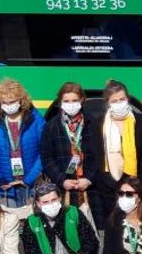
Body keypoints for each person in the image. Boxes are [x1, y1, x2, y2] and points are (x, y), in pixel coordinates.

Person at [89, 80, 142, 233]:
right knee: (115, 230)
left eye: (122, 99)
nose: (119, 103)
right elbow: (97, 154)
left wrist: (135, 182)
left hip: (136, 184)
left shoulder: (140, 121)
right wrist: (109, 182)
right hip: (109, 186)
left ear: (128, 99)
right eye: (114, 101)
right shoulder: (98, 124)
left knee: (140, 227)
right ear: (107, 103)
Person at [39, 82, 103, 225]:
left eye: (74, 100)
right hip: (64, 188)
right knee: (68, 229)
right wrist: (62, 180)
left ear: (82, 100)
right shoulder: (51, 126)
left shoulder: (94, 123)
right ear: (60, 102)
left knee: (93, 228)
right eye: (66, 101)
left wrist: (89, 179)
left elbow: (101, 155)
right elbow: (47, 158)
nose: (71, 104)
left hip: (90, 188)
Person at [0, 79, 44, 209]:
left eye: (12, 102)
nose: (8, 105)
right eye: (4, 102)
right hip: (5, 187)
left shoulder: (36, 119)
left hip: (30, 186)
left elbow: (43, 151)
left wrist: (30, 179)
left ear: (21, 100)